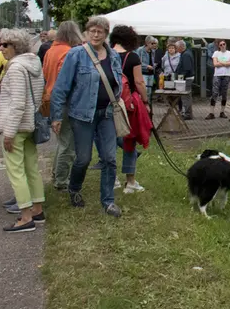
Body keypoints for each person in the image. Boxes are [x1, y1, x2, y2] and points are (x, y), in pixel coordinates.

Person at [50, 16, 123, 218]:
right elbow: (61, 87)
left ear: (106, 34)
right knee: (83, 158)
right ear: (86, 32)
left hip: (107, 113)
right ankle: (74, 189)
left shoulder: (113, 56)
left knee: (109, 158)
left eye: (100, 31)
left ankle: (108, 201)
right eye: (92, 30)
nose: (96, 34)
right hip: (82, 115)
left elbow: (117, 81)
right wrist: (56, 116)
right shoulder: (76, 55)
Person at [0, 28, 45, 233]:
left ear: (15, 46)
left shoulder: (16, 68)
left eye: (5, 45)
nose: (1, 48)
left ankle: (25, 217)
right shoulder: (34, 64)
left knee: (16, 171)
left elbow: (17, 103)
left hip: (16, 126)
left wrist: (8, 132)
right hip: (30, 125)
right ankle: (37, 209)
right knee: (31, 167)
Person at [41, 21, 84, 190]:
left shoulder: (51, 50)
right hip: (65, 101)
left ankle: (56, 174)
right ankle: (61, 180)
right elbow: (65, 81)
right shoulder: (68, 53)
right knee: (68, 143)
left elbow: (46, 74)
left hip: (51, 99)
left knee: (61, 141)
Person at [110, 25, 149, 194]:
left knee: (108, 140)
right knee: (129, 140)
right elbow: (139, 82)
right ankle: (130, 182)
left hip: (107, 102)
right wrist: (146, 101)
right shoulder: (132, 57)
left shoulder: (105, 54)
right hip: (127, 104)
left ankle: (112, 179)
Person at [207, 39, 230, 120]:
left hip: (226, 75)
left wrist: (220, 62)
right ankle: (211, 112)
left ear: (226, 44)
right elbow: (215, 64)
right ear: (218, 46)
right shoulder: (216, 53)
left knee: (224, 93)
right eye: (220, 44)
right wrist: (225, 63)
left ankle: (222, 111)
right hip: (217, 75)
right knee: (214, 92)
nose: (222, 46)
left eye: (223, 44)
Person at [175, 40, 194, 120]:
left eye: (176, 47)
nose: (176, 49)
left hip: (187, 78)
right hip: (187, 78)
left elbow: (186, 69)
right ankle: (187, 113)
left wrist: (180, 77)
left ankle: (187, 114)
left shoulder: (186, 54)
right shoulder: (185, 53)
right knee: (187, 96)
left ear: (181, 47)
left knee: (185, 97)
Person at [135, 36, 158, 101]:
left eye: (154, 43)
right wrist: (147, 66)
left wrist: (154, 65)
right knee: (144, 90)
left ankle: (148, 108)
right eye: (152, 43)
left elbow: (152, 61)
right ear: (147, 43)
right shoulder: (140, 50)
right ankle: (143, 107)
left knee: (149, 92)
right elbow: (137, 62)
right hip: (143, 73)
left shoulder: (153, 51)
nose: (154, 45)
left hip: (151, 74)